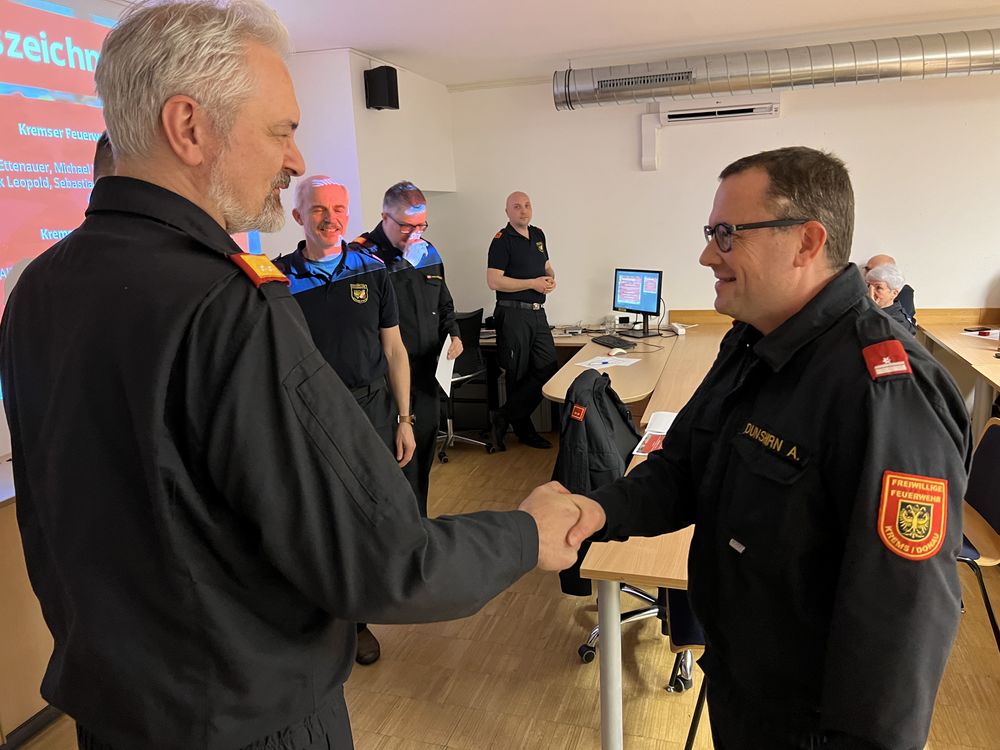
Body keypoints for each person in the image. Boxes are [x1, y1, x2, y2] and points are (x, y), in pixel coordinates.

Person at [0, 2, 605, 749]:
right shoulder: (228, 304)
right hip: (247, 719)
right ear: (189, 127)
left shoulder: (37, 287)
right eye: (281, 130)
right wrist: (524, 532)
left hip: (115, 715)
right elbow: (384, 559)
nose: (294, 159)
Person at [548, 146, 971, 749]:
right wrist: (596, 510)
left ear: (806, 242)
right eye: (710, 234)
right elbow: (684, 466)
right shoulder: (751, 342)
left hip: (809, 725)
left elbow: (902, 625)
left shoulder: (883, 392)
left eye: (726, 234)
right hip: (740, 680)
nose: (706, 255)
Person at [273, 176, 416, 666]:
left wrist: (405, 418)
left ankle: (359, 621)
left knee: (366, 515)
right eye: (318, 209)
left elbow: (394, 350)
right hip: (309, 416)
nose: (329, 218)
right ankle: (321, 619)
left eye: (338, 209)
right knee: (318, 518)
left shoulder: (373, 271)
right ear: (298, 216)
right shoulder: (276, 281)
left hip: (371, 410)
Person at [353, 182, 461, 515]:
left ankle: (419, 529)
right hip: (384, 386)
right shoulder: (361, 257)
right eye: (406, 226)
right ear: (384, 217)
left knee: (421, 464)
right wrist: (400, 262)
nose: (414, 234)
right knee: (391, 470)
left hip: (426, 379)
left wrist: (454, 335)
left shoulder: (428, 252)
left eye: (421, 226)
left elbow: (444, 303)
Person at [487, 191, 559, 450]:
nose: (523, 210)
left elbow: (546, 265)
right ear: (507, 211)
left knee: (548, 366)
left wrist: (550, 278)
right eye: (517, 206)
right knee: (517, 374)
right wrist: (532, 283)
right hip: (513, 314)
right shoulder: (502, 240)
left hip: (538, 312)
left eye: (527, 205)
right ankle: (523, 430)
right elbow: (494, 281)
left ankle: (503, 416)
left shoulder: (538, 235)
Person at [863, 253, 916, 325]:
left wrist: (873, 311)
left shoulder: (898, 321)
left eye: (878, 287)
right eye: (867, 269)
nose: (871, 292)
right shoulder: (861, 289)